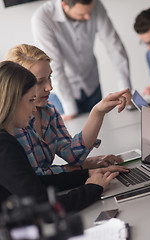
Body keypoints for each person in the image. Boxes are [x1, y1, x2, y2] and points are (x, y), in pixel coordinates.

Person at [0, 61, 129, 212]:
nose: (34, 107)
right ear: (13, 99)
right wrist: (93, 187)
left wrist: (87, 174)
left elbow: (36, 183)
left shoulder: (5, 141)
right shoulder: (4, 146)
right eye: (30, 100)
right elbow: (44, 208)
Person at [5, 44, 129, 175]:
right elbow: (35, 176)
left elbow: (73, 155)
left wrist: (98, 113)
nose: (49, 87)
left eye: (49, 77)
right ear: (18, 85)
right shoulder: (11, 125)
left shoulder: (48, 111)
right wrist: (83, 167)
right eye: (40, 81)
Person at [31, 0, 131, 121]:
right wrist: (70, 109)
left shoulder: (95, 5)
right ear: (64, 5)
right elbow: (54, 65)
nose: (88, 17)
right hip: (61, 94)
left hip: (91, 85)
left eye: (89, 12)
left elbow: (115, 47)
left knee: (101, 133)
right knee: (69, 135)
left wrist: (125, 89)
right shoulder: (42, 18)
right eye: (81, 14)